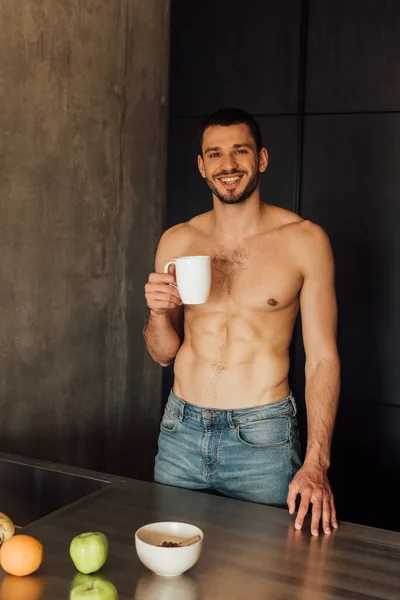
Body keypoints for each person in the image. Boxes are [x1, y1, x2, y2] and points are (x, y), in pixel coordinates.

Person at [143, 107, 340, 536]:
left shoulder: (305, 241)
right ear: (201, 166)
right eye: (214, 154)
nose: (227, 165)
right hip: (180, 432)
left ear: (262, 159)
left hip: (262, 441)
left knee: (260, 577)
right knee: (172, 571)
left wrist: (316, 461)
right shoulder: (177, 240)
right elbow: (162, 354)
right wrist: (157, 313)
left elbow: (322, 358)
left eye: (239, 152)